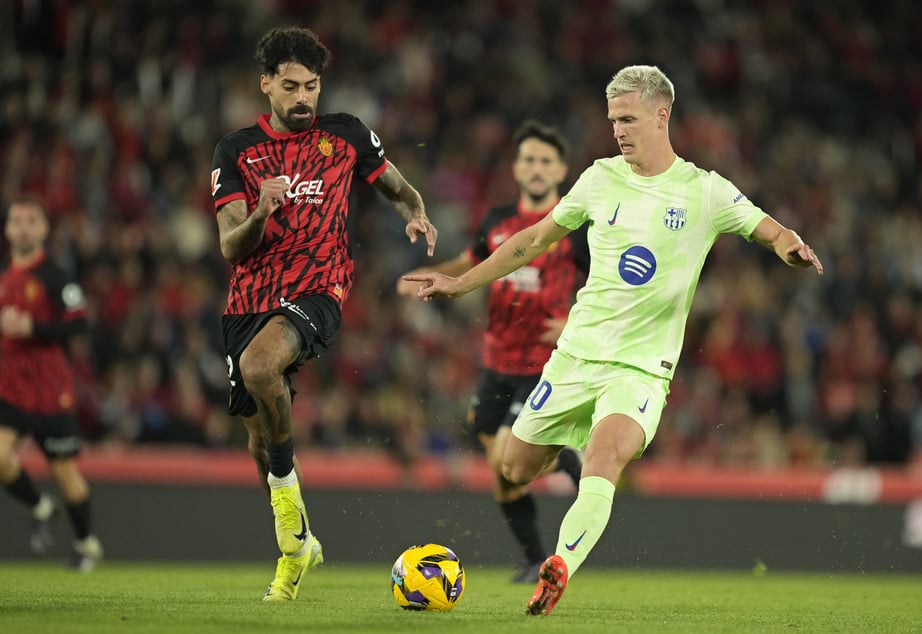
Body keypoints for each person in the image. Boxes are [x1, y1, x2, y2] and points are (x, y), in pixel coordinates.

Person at [404, 64, 824, 616]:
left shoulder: (705, 191)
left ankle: (560, 566)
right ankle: (563, 453)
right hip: (575, 358)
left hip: (641, 369)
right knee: (512, 467)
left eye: (627, 119)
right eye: (612, 121)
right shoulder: (600, 178)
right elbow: (533, 239)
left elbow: (770, 228)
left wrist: (789, 247)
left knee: (605, 458)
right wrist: (462, 282)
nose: (618, 130)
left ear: (661, 114)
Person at [210, 26, 437, 602]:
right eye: (290, 87)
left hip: (319, 287)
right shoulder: (236, 151)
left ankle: (289, 510)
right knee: (260, 445)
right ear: (265, 85)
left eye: (311, 86)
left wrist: (416, 211)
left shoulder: (346, 135)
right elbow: (231, 247)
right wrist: (261, 210)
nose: (303, 97)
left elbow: (398, 188)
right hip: (248, 298)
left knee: (263, 367)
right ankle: (298, 545)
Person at [398, 120, 587, 583]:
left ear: (561, 168)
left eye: (546, 160)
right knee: (502, 474)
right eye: (529, 159)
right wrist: (430, 275)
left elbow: (610, 282)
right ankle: (532, 559)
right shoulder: (496, 220)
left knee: (508, 454)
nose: (537, 167)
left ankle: (568, 456)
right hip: (495, 364)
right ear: (517, 168)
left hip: (543, 367)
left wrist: (573, 321)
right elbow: (472, 262)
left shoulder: (575, 224)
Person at [0, 195, 103, 571]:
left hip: (49, 390)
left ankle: (86, 543)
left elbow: (79, 321)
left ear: (43, 229)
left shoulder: (55, 276)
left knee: (64, 474)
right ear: (9, 228)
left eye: (31, 221)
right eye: (17, 220)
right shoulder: (5, 275)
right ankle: (41, 509)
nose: (23, 227)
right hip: (10, 386)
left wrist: (35, 328)